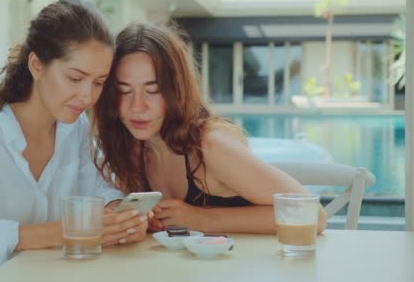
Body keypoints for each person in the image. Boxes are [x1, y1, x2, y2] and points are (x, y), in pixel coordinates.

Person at [0, 0, 148, 282]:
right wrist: (63, 231)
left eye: (99, 82)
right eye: (75, 78)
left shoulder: (74, 128)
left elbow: (101, 188)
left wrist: (119, 217)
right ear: (36, 65)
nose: (88, 96)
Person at [93, 22, 327, 234]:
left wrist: (203, 219)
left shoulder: (209, 146)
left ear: (176, 90)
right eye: (124, 91)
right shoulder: (131, 148)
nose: (137, 107)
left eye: (152, 90)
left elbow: (312, 215)